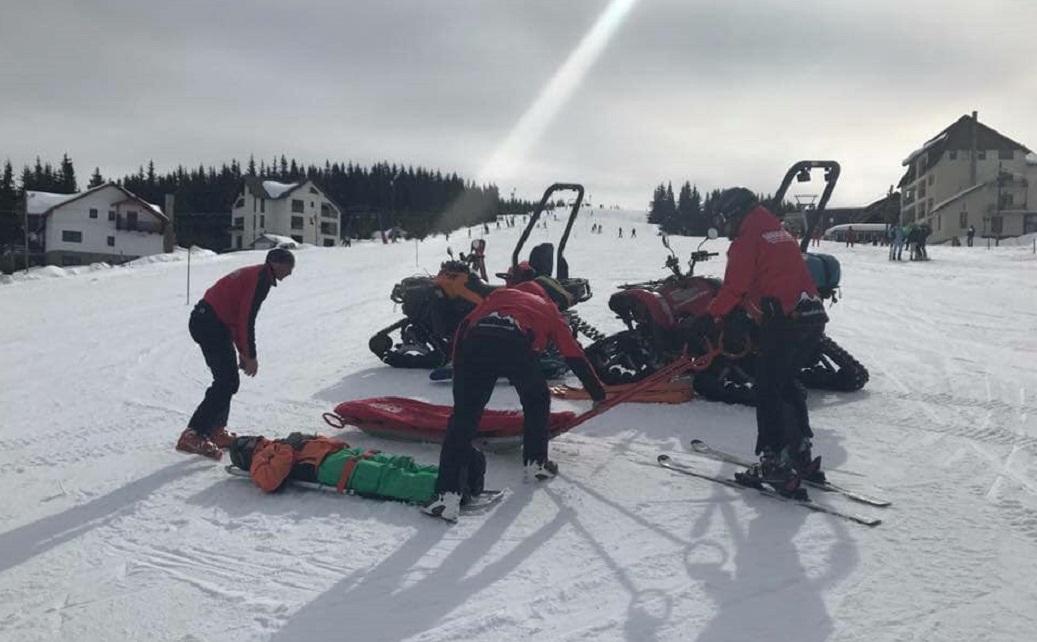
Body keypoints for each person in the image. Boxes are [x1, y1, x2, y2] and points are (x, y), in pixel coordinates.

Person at [423, 280, 607, 521]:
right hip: (515, 342)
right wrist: (597, 394)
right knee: (537, 400)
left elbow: (464, 326)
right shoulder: (547, 307)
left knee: (463, 420)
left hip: (475, 343)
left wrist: (460, 379)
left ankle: (446, 498)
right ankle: (536, 463)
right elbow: (574, 354)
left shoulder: (499, 296)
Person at [696, 188, 829, 497]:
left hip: (783, 322)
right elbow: (770, 278)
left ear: (734, 214)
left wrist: (709, 318)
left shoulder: (747, 240)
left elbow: (735, 287)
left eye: (722, 220)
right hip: (811, 317)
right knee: (785, 384)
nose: (723, 227)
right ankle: (799, 451)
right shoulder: (778, 232)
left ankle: (774, 462)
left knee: (767, 390)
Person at [177, 248, 295, 459]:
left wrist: (243, 351)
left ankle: (216, 430)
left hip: (211, 321)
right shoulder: (261, 278)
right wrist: (251, 355)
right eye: (289, 266)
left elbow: (235, 316)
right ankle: (194, 433)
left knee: (228, 380)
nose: (291, 272)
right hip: (209, 323)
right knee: (226, 381)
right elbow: (246, 318)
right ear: (276, 263)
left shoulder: (259, 274)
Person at [226, 432, 472, 504]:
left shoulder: (275, 444)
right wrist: (288, 447)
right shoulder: (259, 462)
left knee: (400, 463)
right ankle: (445, 489)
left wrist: (314, 439)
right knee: (387, 477)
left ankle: (458, 477)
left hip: (340, 454)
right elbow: (270, 480)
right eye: (247, 442)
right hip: (328, 467)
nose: (253, 440)